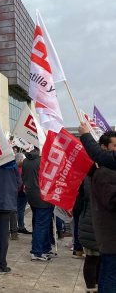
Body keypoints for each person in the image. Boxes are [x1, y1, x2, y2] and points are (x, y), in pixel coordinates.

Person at [78, 124, 116, 292]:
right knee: (108, 274)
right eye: (115, 146)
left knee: (105, 271)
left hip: (105, 233)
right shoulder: (104, 173)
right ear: (103, 147)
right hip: (109, 235)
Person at [22, 146, 55, 261]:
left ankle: (45, 247)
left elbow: (23, 177)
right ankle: (37, 251)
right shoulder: (44, 161)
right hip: (43, 196)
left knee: (40, 222)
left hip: (32, 195)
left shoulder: (26, 160)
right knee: (41, 224)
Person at [78, 172, 100, 293]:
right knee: (94, 258)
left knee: (92, 258)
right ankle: (93, 287)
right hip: (94, 223)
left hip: (88, 220)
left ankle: (92, 288)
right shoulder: (101, 175)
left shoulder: (87, 176)